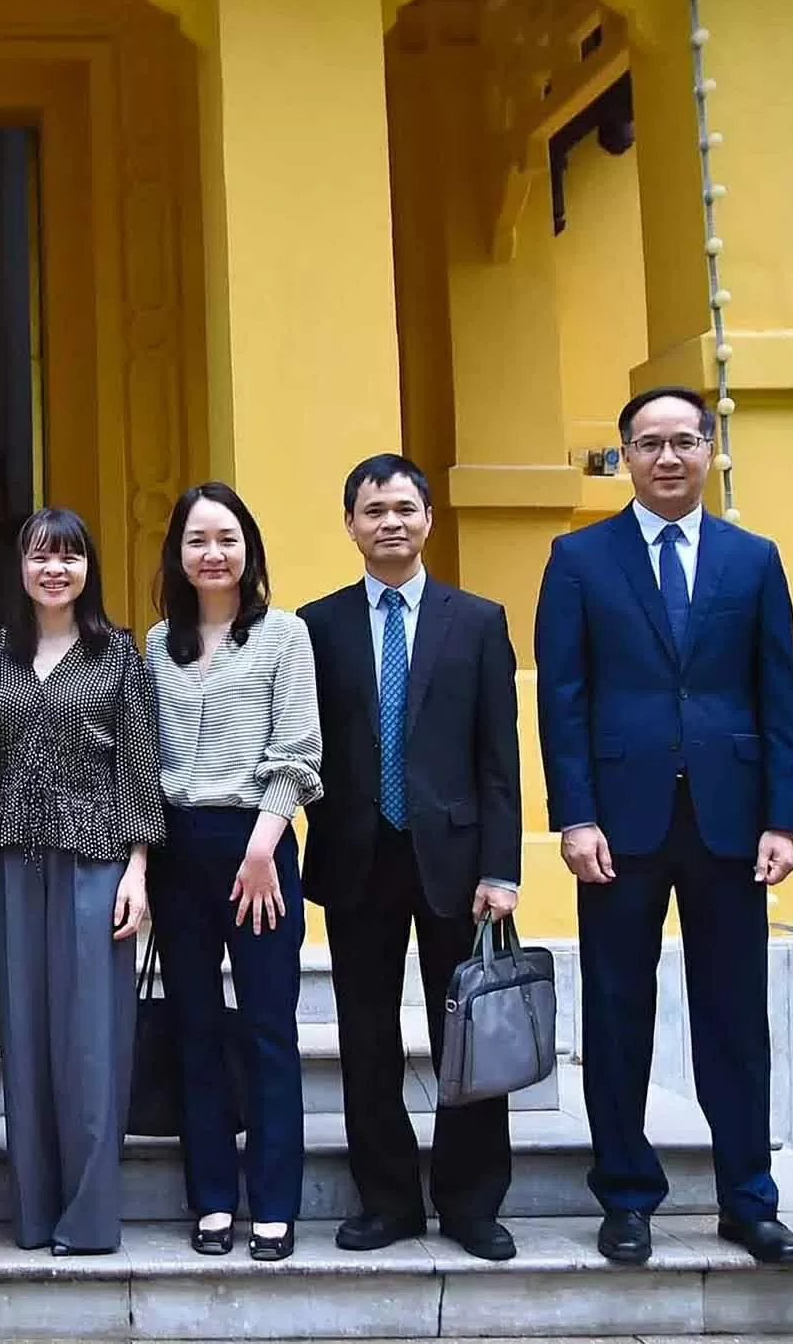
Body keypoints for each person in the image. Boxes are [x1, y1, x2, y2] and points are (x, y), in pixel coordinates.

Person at [535, 386, 793, 1268]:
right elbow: (562, 699)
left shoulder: (753, 559)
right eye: (648, 443)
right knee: (619, 1012)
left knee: (735, 1014)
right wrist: (573, 816)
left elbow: (779, 695)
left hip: (732, 822)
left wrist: (783, 818)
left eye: (684, 441)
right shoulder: (578, 559)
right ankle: (625, 1195)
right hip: (620, 823)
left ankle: (748, 1199)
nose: (668, 458)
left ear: (708, 450)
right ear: (624, 455)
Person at [298, 455, 522, 1263]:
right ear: (351, 526)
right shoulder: (315, 625)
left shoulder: (479, 620)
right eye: (372, 510)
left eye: (403, 508)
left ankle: (470, 1202)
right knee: (365, 1036)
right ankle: (386, 1200)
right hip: (357, 857)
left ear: (429, 518)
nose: (389, 522)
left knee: (467, 1036)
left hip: (459, 866)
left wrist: (503, 868)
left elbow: (501, 757)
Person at [0, 506, 162, 1256]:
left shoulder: (118, 655)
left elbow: (140, 768)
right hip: (9, 855)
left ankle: (87, 1218)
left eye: (70, 557)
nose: (55, 570)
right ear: (20, 569)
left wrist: (139, 872)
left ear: (89, 569)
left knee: (90, 1041)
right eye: (40, 557)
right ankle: (32, 1213)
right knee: (22, 1038)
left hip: (97, 858)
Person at [144, 482, 320, 1262]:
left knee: (269, 1028)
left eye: (226, 538)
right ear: (177, 555)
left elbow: (300, 752)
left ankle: (274, 1202)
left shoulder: (284, 636)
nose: (211, 554)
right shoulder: (155, 645)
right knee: (193, 1030)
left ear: (248, 550)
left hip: (260, 849)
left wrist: (261, 846)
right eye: (196, 540)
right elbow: (145, 760)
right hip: (178, 850)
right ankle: (212, 1198)